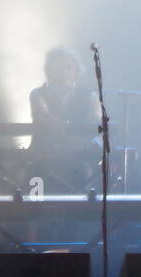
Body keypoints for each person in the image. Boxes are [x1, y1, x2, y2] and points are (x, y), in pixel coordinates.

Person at [28, 47, 100, 192]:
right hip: (43, 159)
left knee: (81, 200)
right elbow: (44, 117)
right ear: (49, 70)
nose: (64, 72)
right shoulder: (38, 94)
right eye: (58, 67)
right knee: (35, 202)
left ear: (76, 70)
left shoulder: (90, 96)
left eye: (68, 67)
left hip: (79, 161)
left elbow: (98, 127)